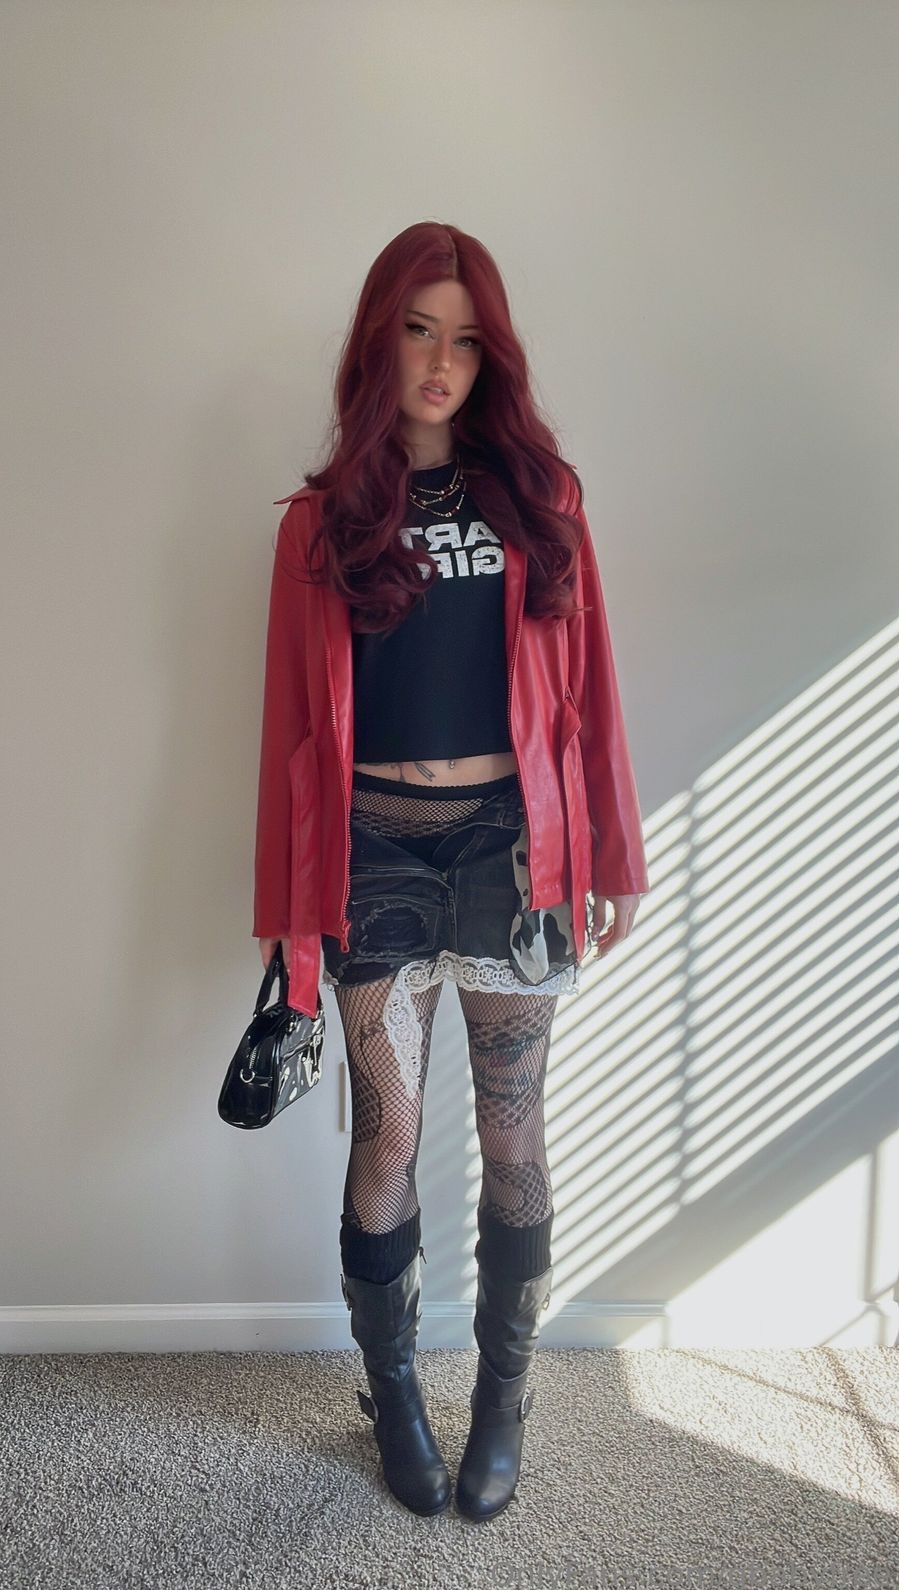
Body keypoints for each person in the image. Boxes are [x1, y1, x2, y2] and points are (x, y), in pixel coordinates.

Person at [253, 221, 650, 1521]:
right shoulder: (321, 524)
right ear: (380, 341)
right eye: (419, 331)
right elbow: (292, 735)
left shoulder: (542, 501)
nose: (441, 362)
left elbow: (591, 693)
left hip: (513, 849)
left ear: (494, 358)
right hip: (372, 850)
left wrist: (614, 849)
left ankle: (504, 1401)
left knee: (514, 1129)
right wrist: (288, 921)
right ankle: (396, 1397)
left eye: (468, 340)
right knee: (388, 1133)